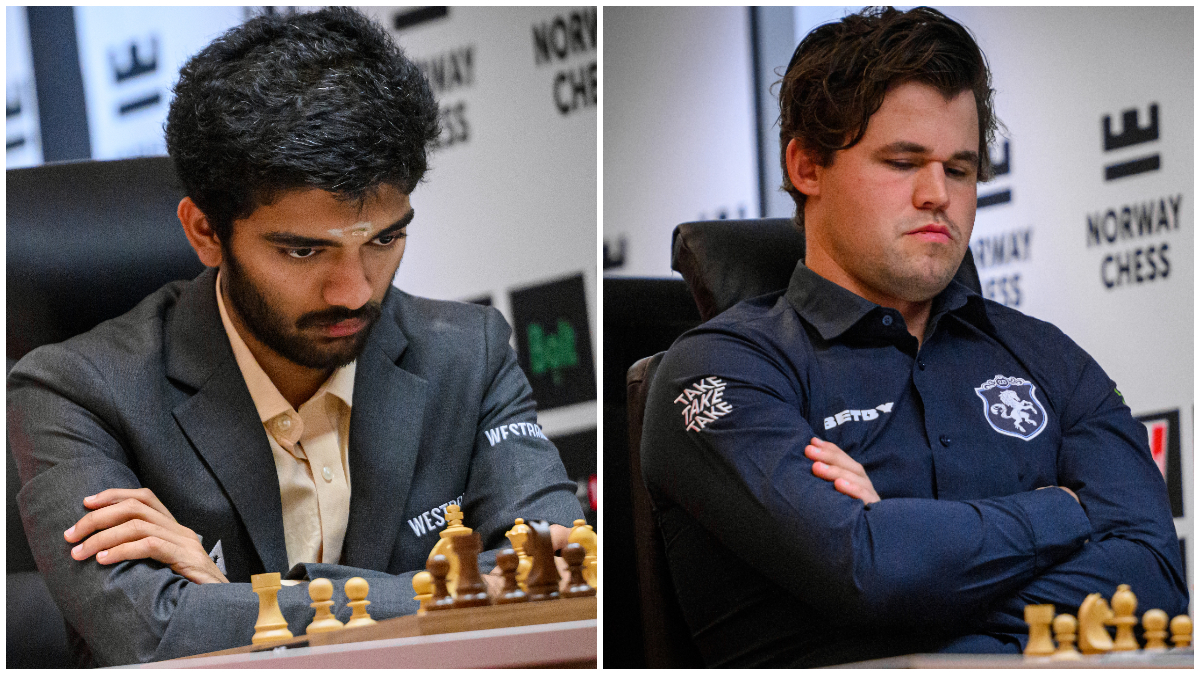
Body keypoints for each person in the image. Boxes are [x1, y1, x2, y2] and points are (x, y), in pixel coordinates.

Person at [7, 8, 582, 667]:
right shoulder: (72, 390)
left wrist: (238, 603)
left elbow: (555, 580)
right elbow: (150, 637)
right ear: (204, 232)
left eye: (385, 239)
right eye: (305, 251)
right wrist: (460, 594)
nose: (356, 290)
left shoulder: (469, 354)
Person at [640, 6, 1187, 667]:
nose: (938, 195)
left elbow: (1156, 579)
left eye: (959, 169)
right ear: (807, 165)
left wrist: (914, 564)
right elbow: (869, 570)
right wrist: (1063, 510)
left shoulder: (1048, 358)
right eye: (903, 161)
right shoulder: (721, 369)